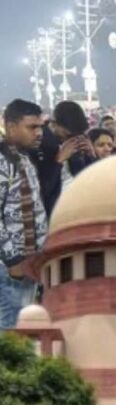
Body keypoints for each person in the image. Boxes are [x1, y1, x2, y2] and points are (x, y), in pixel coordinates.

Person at [0, 99, 48, 330]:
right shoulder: (2, 162)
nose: (39, 133)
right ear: (10, 127)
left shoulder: (24, 159)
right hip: (9, 270)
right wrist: (12, 261)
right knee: (8, 333)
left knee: (21, 332)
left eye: (40, 126)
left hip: (29, 264)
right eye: (32, 127)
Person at [49, 101, 96, 193]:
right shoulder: (41, 146)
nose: (72, 140)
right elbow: (44, 189)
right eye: (68, 135)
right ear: (54, 124)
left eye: (77, 134)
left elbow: (90, 180)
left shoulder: (79, 141)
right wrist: (59, 161)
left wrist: (91, 156)